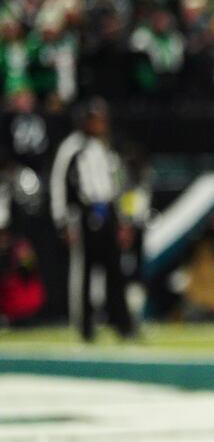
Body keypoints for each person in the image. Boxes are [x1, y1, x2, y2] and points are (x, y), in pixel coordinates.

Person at [49, 98, 138, 341]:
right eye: (94, 119)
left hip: (108, 214)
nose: (99, 124)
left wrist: (124, 220)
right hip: (83, 215)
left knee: (115, 272)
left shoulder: (110, 149)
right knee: (84, 273)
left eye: (102, 119)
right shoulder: (72, 148)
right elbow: (59, 185)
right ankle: (84, 327)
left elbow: (120, 184)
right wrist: (63, 221)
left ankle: (122, 324)